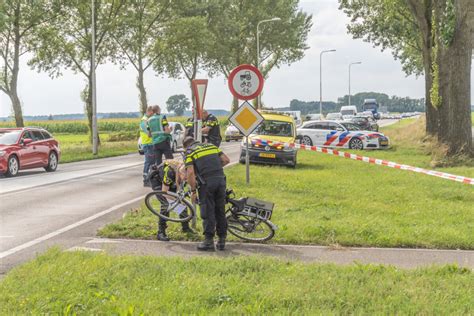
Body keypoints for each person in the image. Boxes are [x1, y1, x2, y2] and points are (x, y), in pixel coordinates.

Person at [183, 136, 230, 251]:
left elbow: (190, 173)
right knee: (220, 210)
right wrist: (215, 170)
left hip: (207, 184)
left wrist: (193, 191)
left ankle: (208, 241)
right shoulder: (212, 146)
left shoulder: (190, 152)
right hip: (220, 180)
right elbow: (226, 160)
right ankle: (222, 241)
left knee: (208, 211)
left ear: (186, 146)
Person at [148, 159, 194, 241]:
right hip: (157, 181)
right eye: (185, 178)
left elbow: (181, 187)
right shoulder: (170, 172)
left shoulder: (185, 170)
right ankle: (161, 232)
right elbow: (164, 192)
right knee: (166, 205)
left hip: (171, 182)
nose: (186, 180)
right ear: (181, 173)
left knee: (182, 205)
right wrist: (176, 200)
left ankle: (185, 228)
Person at [140, 106, 155, 187]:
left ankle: (150, 179)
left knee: (151, 163)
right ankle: (146, 180)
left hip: (150, 144)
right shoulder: (144, 121)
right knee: (148, 162)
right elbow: (149, 133)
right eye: (152, 113)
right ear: (149, 111)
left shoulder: (147, 120)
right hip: (148, 144)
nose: (153, 115)